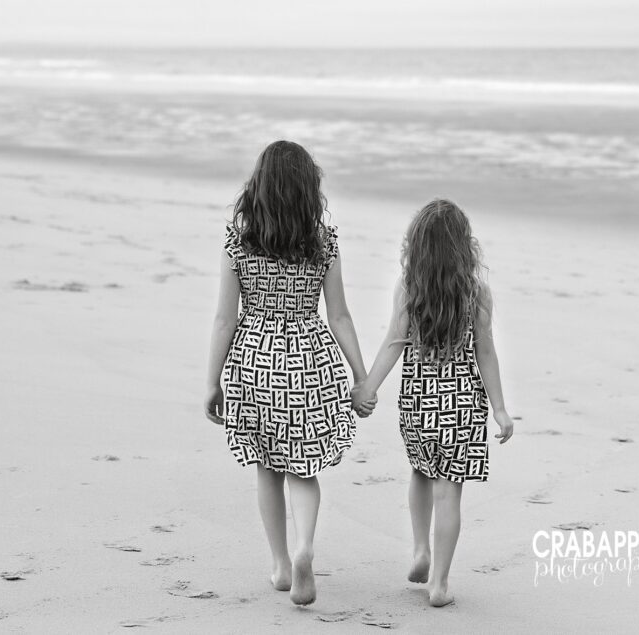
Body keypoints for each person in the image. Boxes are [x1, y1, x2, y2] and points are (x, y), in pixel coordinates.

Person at [204, 140, 373, 606]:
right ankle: (305, 547)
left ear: (258, 187)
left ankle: (281, 564)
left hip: (254, 362)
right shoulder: (323, 242)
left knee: (267, 468)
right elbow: (339, 316)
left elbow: (224, 319)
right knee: (304, 468)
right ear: (307, 191)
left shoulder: (238, 241)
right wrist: (360, 375)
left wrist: (211, 381)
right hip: (308, 362)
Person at [351, 198, 514, 607]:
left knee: (420, 474)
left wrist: (368, 387)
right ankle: (439, 583)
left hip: (419, 403)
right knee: (449, 492)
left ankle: (420, 549)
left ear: (416, 246)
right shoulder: (477, 292)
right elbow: (486, 352)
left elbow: (393, 342)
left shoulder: (409, 287)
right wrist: (499, 407)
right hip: (462, 407)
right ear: (464, 247)